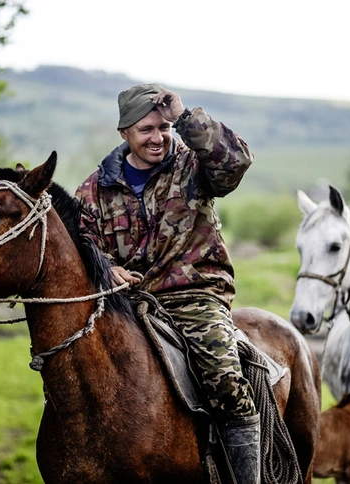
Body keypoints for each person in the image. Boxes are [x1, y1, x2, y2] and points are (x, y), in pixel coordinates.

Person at [75, 83, 259, 483]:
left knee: (225, 380)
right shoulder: (93, 190)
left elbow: (236, 162)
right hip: (126, 301)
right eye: (146, 129)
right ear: (124, 132)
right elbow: (82, 244)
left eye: (163, 127)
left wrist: (186, 117)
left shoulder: (192, 165)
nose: (158, 138)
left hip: (193, 294)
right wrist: (108, 270)